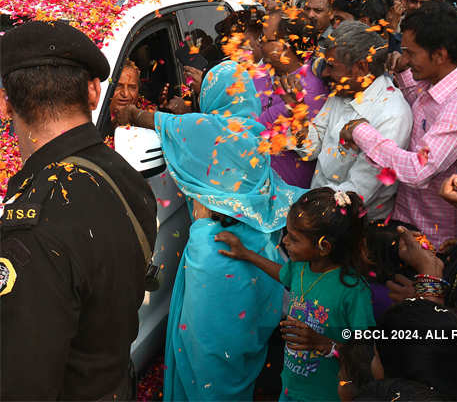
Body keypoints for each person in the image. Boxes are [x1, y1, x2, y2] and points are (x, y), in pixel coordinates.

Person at [113, 60, 306, 400]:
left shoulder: (203, 128)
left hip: (216, 256)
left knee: (204, 353)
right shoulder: (255, 134)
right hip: (258, 259)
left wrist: (127, 117)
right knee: (238, 350)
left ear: (212, 94)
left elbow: (148, 119)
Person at [0, 21, 157, 399]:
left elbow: (23, 382)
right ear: (94, 91)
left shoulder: (34, 227)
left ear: (5, 103)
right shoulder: (126, 176)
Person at [341, 4, 457, 248]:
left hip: (434, 240)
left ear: (440, 55)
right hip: (405, 223)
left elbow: (418, 170)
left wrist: (360, 131)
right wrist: (403, 71)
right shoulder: (430, 83)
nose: (404, 59)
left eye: (411, 53)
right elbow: (418, 103)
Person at [216, 187, 376, 402]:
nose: (285, 242)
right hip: (291, 387)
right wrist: (246, 254)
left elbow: (365, 351)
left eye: (294, 238)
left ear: (324, 246)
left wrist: (325, 344)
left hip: (326, 394)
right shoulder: (301, 266)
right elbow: (283, 275)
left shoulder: (353, 291)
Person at [290, 21, 412, 220]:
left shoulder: (392, 115)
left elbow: (355, 193)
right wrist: (297, 112)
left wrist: (306, 215)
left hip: (349, 226)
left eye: (331, 66)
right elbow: (312, 146)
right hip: (318, 211)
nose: (326, 74)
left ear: (361, 67)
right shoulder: (343, 92)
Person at [258, 10, 328, 188]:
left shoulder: (307, 90)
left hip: (284, 189)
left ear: (285, 48)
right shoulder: (269, 70)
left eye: (266, 40)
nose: (259, 43)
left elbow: (255, 128)